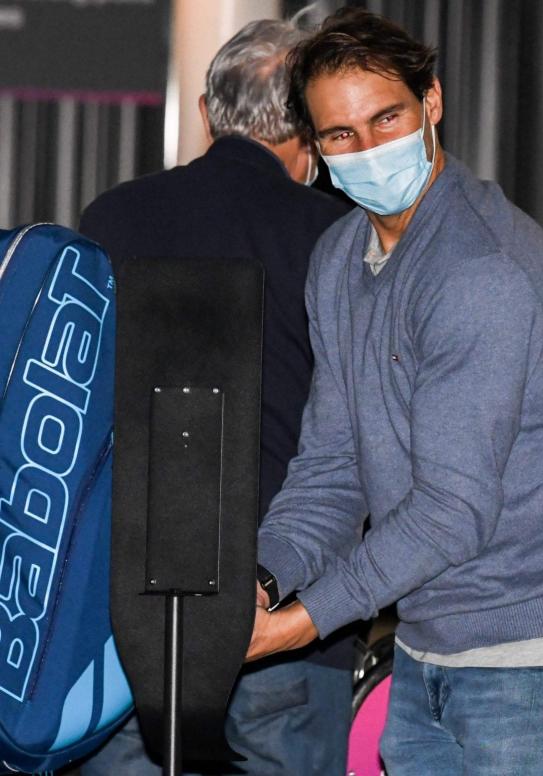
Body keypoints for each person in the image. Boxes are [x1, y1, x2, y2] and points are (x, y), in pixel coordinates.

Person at [244, 9, 543, 775]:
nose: (369, 149)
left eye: (387, 118)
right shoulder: (340, 257)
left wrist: (301, 624)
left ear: (431, 102)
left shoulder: (479, 270)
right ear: (313, 147)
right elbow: (332, 467)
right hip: (436, 641)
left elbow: (450, 513)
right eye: (341, 135)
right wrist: (262, 578)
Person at [77, 17, 353, 776]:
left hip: (126, 609)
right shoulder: (337, 235)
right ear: (310, 129)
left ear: (205, 112)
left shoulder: (112, 217)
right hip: (290, 614)